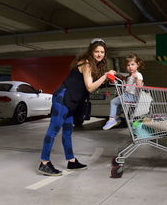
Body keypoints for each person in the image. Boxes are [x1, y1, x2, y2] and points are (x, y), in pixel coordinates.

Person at [38, 38, 116, 176]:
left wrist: (106, 77)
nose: (99, 54)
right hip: (63, 98)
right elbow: (90, 87)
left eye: (102, 52)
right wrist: (105, 76)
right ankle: (44, 162)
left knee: (67, 131)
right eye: (96, 51)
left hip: (72, 100)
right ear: (91, 51)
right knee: (54, 129)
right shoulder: (87, 63)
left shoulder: (93, 65)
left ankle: (71, 161)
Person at [103, 53, 144, 130]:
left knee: (113, 102)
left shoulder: (138, 75)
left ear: (137, 65)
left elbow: (140, 86)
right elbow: (127, 81)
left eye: (132, 64)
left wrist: (137, 79)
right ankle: (117, 118)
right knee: (118, 103)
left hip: (131, 96)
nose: (130, 67)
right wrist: (123, 78)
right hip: (128, 96)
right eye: (128, 65)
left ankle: (112, 119)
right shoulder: (130, 75)